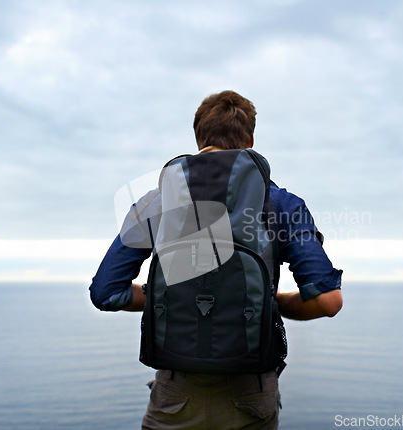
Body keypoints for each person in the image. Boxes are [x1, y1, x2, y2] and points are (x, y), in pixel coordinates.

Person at [90, 90, 343, 429]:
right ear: (250, 140)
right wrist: (267, 302)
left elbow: (107, 293)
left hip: (176, 395)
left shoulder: (157, 202)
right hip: (251, 395)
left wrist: (168, 297)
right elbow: (328, 301)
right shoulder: (283, 205)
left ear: (199, 140)